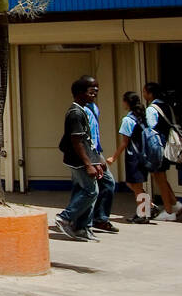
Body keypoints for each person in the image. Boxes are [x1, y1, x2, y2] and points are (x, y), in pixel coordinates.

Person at [55, 75, 103, 241]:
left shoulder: (83, 110)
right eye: (91, 91)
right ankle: (65, 217)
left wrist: (96, 162)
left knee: (88, 191)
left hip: (86, 159)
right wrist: (88, 164)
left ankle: (83, 227)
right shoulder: (75, 113)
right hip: (78, 160)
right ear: (80, 93)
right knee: (91, 191)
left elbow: (87, 141)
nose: (94, 94)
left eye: (96, 91)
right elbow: (77, 142)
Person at [114, 90, 159, 225]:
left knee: (135, 186)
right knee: (134, 184)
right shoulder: (142, 117)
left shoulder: (128, 120)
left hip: (133, 156)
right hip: (144, 155)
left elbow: (124, 142)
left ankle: (143, 214)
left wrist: (113, 157)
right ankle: (149, 206)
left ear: (127, 102)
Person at [143, 82, 182, 221]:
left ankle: (168, 211)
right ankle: (175, 203)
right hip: (168, 146)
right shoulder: (167, 106)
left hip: (157, 146)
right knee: (161, 177)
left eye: (145, 91)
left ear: (150, 93)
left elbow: (150, 129)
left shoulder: (152, 108)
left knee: (159, 178)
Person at [81, 77, 116, 232]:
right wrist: (93, 160)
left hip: (97, 152)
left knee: (105, 185)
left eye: (97, 88)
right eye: (91, 88)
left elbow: (95, 134)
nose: (95, 91)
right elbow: (84, 137)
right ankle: (77, 219)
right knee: (94, 188)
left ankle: (97, 219)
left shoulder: (94, 108)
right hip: (91, 155)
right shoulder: (82, 111)